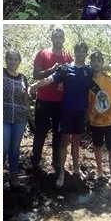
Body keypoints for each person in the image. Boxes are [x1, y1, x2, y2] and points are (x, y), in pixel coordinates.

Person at [30, 42, 111, 187]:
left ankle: (77, 169)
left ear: (85, 54)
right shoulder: (66, 68)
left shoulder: (89, 70)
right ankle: (62, 173)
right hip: (66, 111)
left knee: (76, 142)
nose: (80, 54)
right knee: (65, 143)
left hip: (81, 112)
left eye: (83, 52)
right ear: (75, 52)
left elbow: (110, 66)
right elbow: (50, 79)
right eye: (78, 51)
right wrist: (34, 86)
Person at [30, 26, 73, 175]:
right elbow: (36, 75)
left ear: (64, 39)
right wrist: (51, 70)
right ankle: (35, 161)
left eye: (61, 36)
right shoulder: (43, 54)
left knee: (58, 133)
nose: (58, 39)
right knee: (40, 131)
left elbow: (73, 77)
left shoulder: (68, 57)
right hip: (43, 100)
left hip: (61, 102)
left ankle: (56, 162)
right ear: (52, 38)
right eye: (56, 36)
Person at [87, 50, 111, 189]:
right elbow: (87, 102)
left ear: (102, 63)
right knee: (97, 147)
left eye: (99, 61)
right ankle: (100, 171)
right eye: (94, 61)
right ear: (90, 63)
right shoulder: (88, 82)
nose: (96, 63)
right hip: (95, 121)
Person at [3, 49, 29, 187]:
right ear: (6, 60)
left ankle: (14, 176)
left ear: (19, 61)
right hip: (4, 117)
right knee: (5, 146)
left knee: (15, 148)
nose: (13, 62)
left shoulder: (23, 78)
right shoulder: (1, 73)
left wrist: (28, 116)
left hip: (20, 118)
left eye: (15, 59)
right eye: (10, 59)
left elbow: (26, 99)